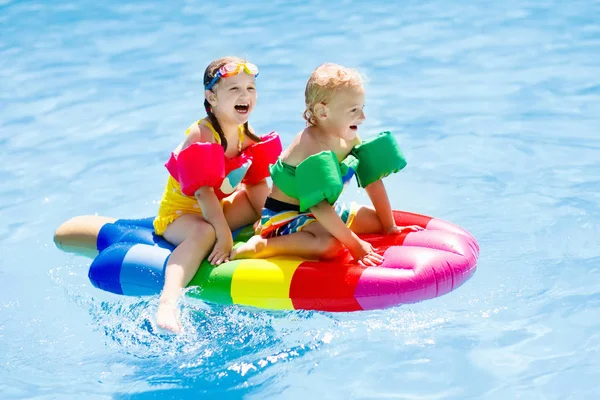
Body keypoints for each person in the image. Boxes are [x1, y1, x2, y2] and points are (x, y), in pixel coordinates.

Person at [231, 63, 420, 266]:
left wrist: (389, 227)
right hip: (287, 216)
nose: (363, 117)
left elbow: (372, 182)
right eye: (353, 110)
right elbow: (318, 205)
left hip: (326, 211)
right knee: (331, 245)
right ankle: (260, 246)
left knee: (377, 223)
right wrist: (356, 247)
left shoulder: (350, 139)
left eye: (362, 108)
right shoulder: (310, 144)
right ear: (323, 112)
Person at [153, 56, 282, 333]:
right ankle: (168, 302)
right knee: (205, 234)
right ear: (211, 97)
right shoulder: (202, 135)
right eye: (234, 89)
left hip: (218, 210)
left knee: (258, 200)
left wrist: (270, 220)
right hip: (181, 216)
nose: (245, 95)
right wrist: (223, 236)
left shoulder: (247, 134)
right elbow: (204, 194)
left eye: (250, 88)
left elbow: (257, 183)